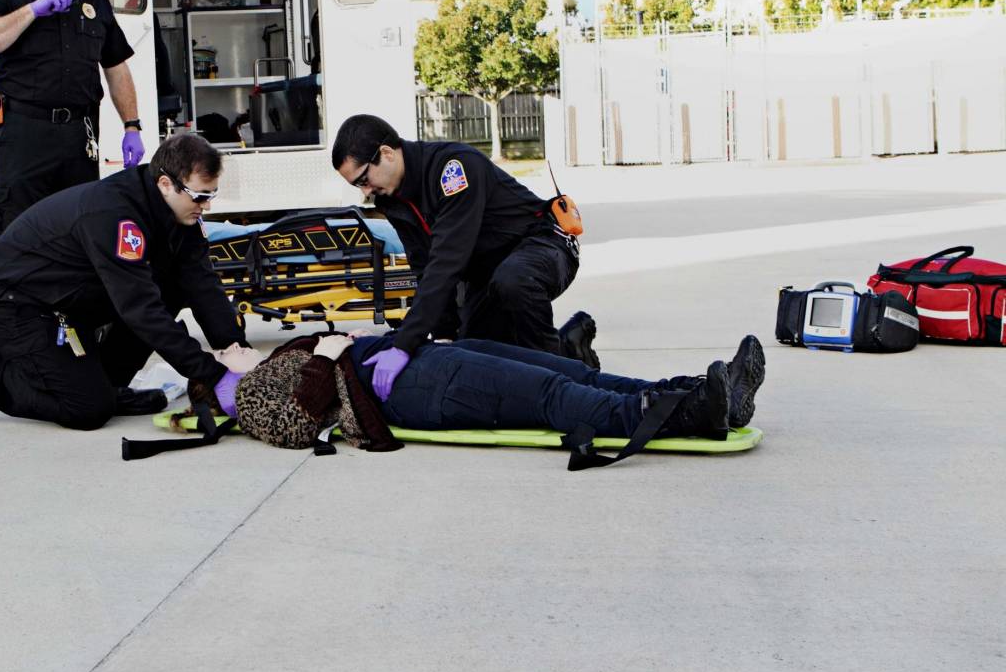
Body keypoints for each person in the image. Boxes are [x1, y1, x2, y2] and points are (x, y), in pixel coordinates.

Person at [0, 134, 248, 430]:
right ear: (166, 184)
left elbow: (201, 282)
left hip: (72, 298)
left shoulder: (181, 214)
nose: (206, 206)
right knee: (87, 409)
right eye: (200, 196)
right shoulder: (115, 215)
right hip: (17, 304)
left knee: (171, 286)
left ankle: (108, 385)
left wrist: (235, 350)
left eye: (211, 196)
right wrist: (211, 375)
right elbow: (140, 309)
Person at [331, 114, 591, 396]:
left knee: (514, 281)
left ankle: (561, 386)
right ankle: (568, 348)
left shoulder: (454, 168)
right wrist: (444, 335)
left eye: (364, 179)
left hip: (543, 245)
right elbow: (424, 266)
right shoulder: (392, 200)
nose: (366, 192)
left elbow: (446, 262)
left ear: (386, 153)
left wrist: (403, 344)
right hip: (489, 271)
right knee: (478, 354)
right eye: (358, 186)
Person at [205, 331, 766, 456]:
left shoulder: (275, 360)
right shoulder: (248, 395)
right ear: (218, 385)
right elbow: (294, 427)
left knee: (575, 375)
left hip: (421, 358)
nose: (230, 347)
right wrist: (325, 357)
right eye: (220, 358)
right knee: (550, 394)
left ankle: (698, 391)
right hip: (411, 391)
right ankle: (690, 414)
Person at [0, 0, 146, 239]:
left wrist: (132, 126)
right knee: (20, 231)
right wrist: (35, 10)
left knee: (81, 228)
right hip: (25, 135)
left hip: (78, 135)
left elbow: (116, 67)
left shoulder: (93, 3)